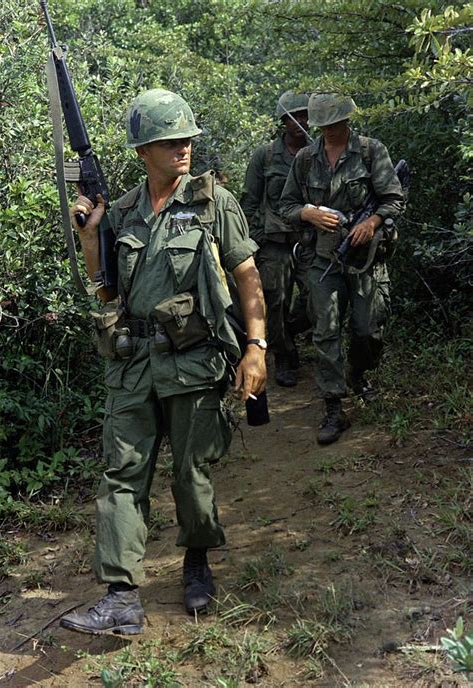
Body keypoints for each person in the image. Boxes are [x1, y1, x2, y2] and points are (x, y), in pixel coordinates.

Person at [59, 88, 267, 635]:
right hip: (132, 363)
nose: (183, 149)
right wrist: (89, 237)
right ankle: (121, 595)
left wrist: (256, 346)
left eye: (186, 140)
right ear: (142, 152)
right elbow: (106, 295)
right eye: (169, 142)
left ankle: (197, 561)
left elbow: (247, 277)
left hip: (194, 361)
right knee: (122, 475)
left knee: (190, 473)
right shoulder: (122, 211)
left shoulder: (213, 203)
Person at [280, 93, 404, 444]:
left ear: (347, 121)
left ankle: (358, 373)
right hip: (324, 257)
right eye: (323, 126)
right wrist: (308, 213)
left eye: (336, 124)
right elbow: (286, 205)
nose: (330, 131)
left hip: (365, 259)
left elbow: (394, 197)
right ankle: (333, 406)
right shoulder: (306, 159)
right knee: (326, 331)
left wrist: (374, 221)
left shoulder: (369, 151)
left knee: (367, 330)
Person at [240, 91, 312, 387]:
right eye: (293, 117)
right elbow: (249, 201)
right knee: (275, 301)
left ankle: (289, 332)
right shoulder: (266, 155)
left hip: (310, 242)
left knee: (316, 301)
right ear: (283, 121)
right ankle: (284, 355)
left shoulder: (319, 152)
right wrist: (254, 240)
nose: (300, 122)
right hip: (274, 243)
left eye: (305, 115)